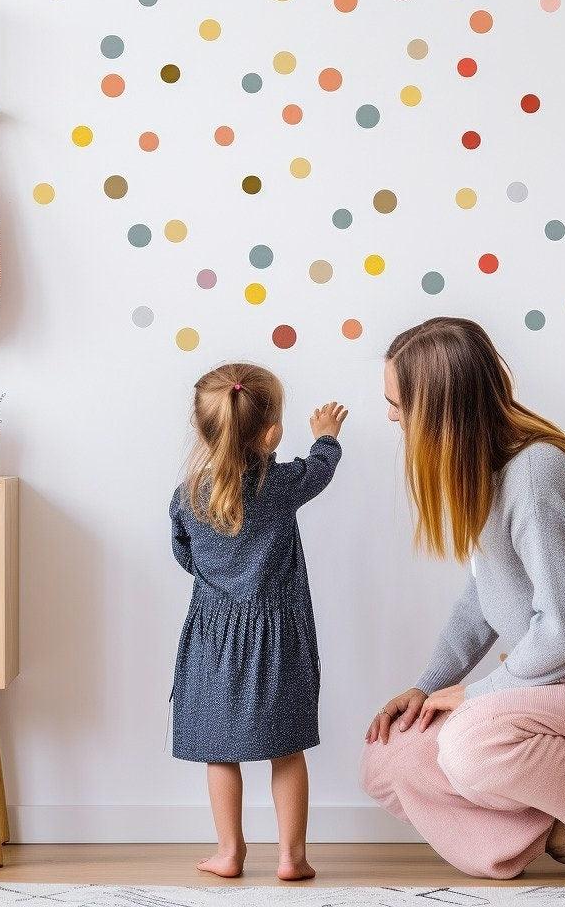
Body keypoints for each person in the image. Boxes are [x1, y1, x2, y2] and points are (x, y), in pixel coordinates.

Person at [360, 317, 565, 891]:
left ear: (439, 410)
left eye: (398, 405)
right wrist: (428, 687)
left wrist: (473, 697)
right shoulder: (487, 475)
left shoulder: (536, 476)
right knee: (391, 758)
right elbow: (481, 601)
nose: (393, 418)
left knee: (472, 740)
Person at [169, 361, 348, 880]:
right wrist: (326, 437)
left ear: (205, 428)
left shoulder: (187, 496)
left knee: (219, 753)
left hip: (212, 639)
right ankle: (292, 857)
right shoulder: (282, 484)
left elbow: (185, 556)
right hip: (279, 638)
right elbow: (320, 469)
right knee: (286, 751)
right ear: (270, 434)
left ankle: (229, 853)